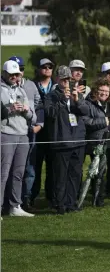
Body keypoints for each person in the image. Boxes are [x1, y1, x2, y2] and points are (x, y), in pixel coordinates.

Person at [44, 66, 89, 215]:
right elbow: (50, 113)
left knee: (75, 175)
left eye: (68, 79)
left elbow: (85, 112)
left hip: (78, 141)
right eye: (63, 79)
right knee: (61, 176)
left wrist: (77, 100)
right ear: (57, 79)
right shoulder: (51, 96)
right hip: (61, 142)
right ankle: (60, 204)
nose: (66, 82)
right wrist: (63, 99)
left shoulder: (76, 93)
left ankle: (71, 203)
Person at [8, 56, 42, 210]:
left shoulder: (29, 86)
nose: (19, 73)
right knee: (6, 170)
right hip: (8, 133)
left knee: (27, 168)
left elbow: (38, 108)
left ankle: (23, 200)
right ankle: (7, 202)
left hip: (28, 132)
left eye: (21, 69)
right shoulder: (4, 87)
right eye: (16, 70)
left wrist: (38, 124)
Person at [1, 60, 34, 217]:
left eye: (17, 74)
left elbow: (31, 116)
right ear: (5, 73)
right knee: (3, 173)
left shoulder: (22, 90)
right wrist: (9, 109)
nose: (15, 77)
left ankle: (15, 206)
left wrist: (26, 110)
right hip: (6, 134)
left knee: (19, 173)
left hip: (23, 135)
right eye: (12, 74)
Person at [32, 58, 56, 206]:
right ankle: (32, 196)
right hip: (36, 131)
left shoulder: (57, 86)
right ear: (39, 69)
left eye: (50, 67)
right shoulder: (32, 85)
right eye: (44, 67)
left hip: (53, 131)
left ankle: (50, 195)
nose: (47, 69)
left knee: (52, 166)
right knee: (35, 166)